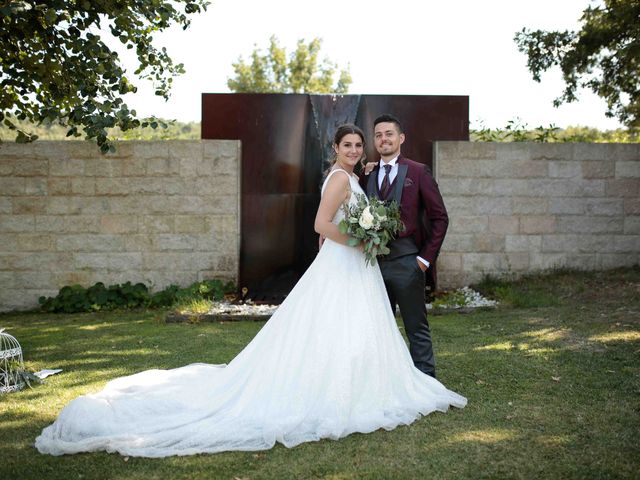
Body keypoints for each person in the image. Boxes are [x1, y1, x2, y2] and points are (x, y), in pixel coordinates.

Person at [35, 124, 465, 458]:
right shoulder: (339, 179)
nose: (355, 150)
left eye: (359, 145)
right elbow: (321, 226)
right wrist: (362, 240)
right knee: (334, 323)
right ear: (336, 149)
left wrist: (365, 234)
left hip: (357, 266)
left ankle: (365, 381)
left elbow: (349, 217)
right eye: (348, 145)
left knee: (351, 327)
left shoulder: (358, 177)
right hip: (347, 262)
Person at [360, 114, 448, 378]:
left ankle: (426, 383)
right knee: (376, 329)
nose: (383, 139)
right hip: (373, 264)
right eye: (378, 135)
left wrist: (424, 260)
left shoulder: (418, 172)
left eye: (388, 134)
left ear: (401, 138)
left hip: (408, 261)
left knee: (416, 328)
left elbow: (440, 218)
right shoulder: (368, 174)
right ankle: (382, 382)